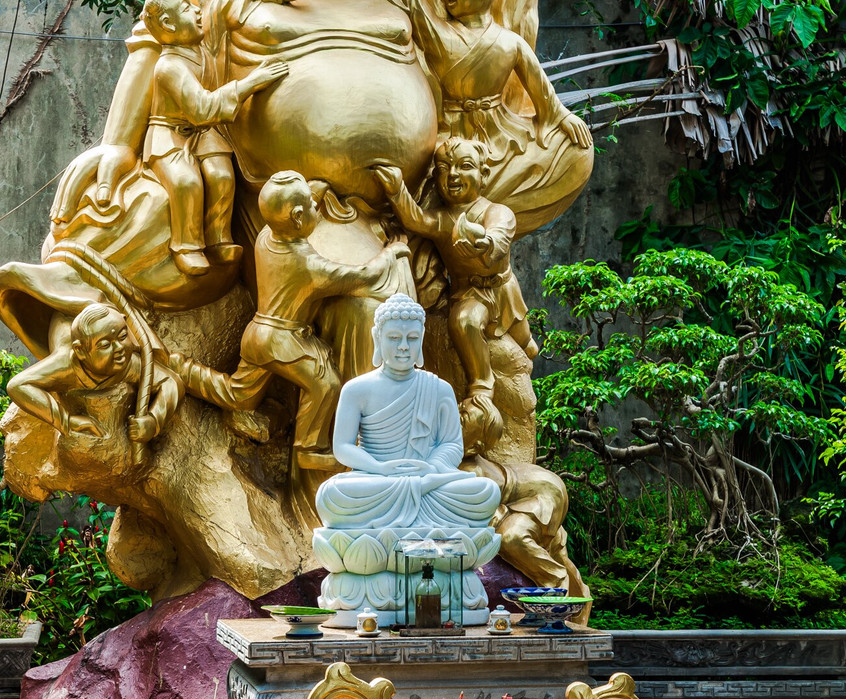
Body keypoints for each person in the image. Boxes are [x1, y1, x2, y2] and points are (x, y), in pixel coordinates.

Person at [171, 171, 411, 470]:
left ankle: (181, 367)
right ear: (298, 218)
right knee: (326, 382)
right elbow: (361, 275)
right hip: (284, 341)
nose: (315, 207)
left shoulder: (265, 237)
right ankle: (308, 448)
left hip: (257, 335)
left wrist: (312, 193)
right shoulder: (308, 266)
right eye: (312, 207)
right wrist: (391, 253)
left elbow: (292, 209)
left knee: (239, 395)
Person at [374, 138, 535, 432]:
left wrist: (482, 242)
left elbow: (498, 239)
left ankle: (524, 352)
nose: (453, 175)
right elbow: (415, 219)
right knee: (463, 323)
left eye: (465, 167)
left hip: (502, 288)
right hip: (468, 293)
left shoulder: (496, 212)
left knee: (526, 343)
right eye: (444, 169)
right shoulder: (445, 219)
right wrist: (396, 189)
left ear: (484, 175)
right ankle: (482, 385)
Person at [314, 293, 501, 529]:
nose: (403, 346)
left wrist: (430, 468)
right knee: (331, 494)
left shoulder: (440, 389)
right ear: (377, 338)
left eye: (411, 338)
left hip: (429, 481)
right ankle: (431, 534)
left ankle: (381, 538)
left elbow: (452, 445)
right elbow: (342, 447)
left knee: (486, 491)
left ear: (421, 339)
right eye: (394, 337)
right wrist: (380, 468)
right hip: (377, 481)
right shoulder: (356, 390)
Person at [406, 0, 594, 233]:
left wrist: (561, 117)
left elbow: (545, 96)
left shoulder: (511, 42)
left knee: (577, 149)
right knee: (433, 179)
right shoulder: (441, 32)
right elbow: (415, 6)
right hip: (448, 134)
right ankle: (455, 219)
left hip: (502, 134)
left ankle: (482, 217)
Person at [141, 0, 288, 275]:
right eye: (187, 9)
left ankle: (219, 236)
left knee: (221, 175)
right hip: (171, 134)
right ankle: (187, 246)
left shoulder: (200, 51)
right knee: (186, 182)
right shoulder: (168, 66)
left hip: (203, 133)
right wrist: (251, 82)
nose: (198, 11)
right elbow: (202, 109)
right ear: (168, 24)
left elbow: (220, 12)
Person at [6, 303, 183, 442]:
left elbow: (171, 382)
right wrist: (66, 422)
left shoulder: (129, 362)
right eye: (105, 345)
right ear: (81, 352)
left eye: (122, 337)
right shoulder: (65, 364)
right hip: (64, 309)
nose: (119, 348)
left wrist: (154, 421)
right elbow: (17, 385)